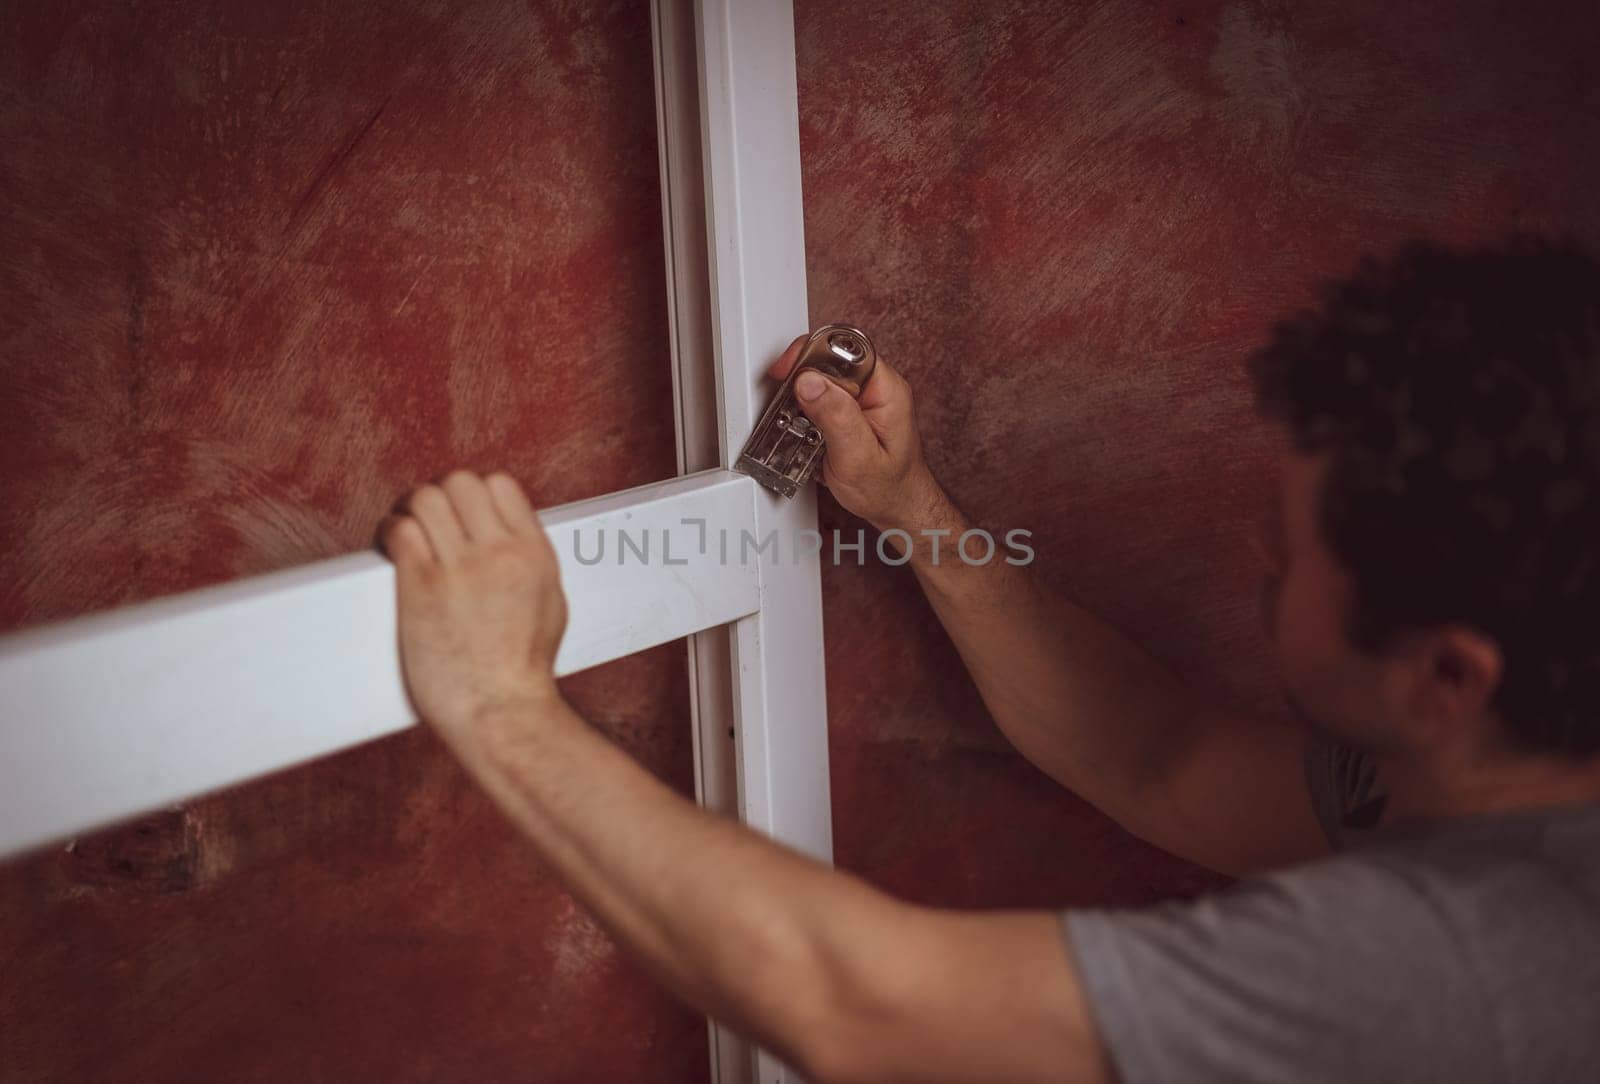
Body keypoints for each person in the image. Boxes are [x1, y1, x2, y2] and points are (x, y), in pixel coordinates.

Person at [378, 239, 1600, 1083]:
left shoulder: (1472, 964)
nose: (1257, 562)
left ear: (1446, 678)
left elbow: (856, 1003)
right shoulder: (1471, 769)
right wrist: (911, 503)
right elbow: (1160, 760)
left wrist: (497, 702)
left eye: (1289, 561)